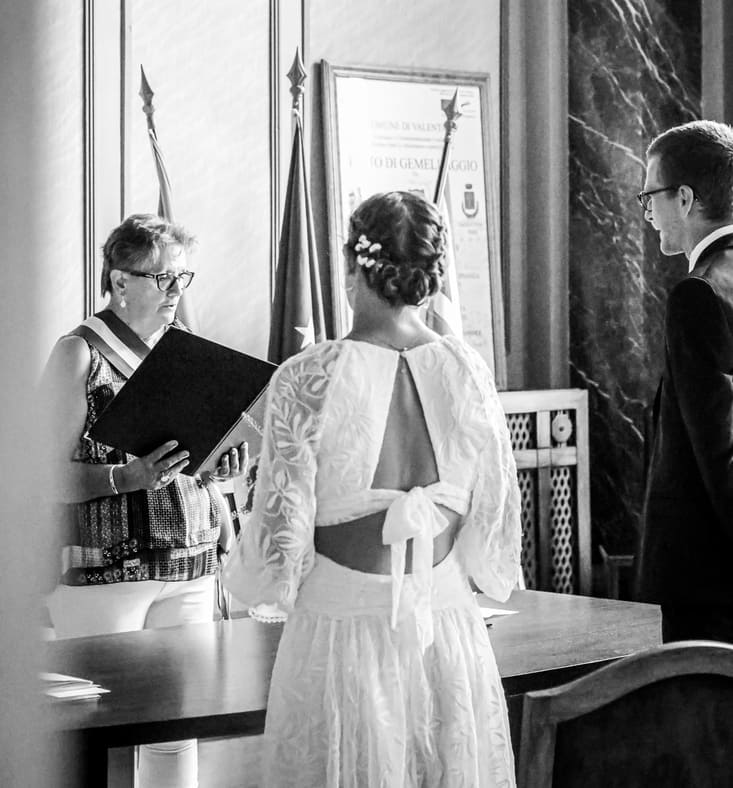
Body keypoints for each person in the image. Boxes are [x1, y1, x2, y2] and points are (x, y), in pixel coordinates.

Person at [223, 190, 522, 787]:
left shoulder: (308, 376)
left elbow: (280, 540)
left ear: (351, 266)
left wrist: (260, 581)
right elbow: (495, 517)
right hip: (446, 636)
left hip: (339, 638)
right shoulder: (469, 370)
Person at [43, 213, 246, 788]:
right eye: (164, 278)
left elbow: (195, 458)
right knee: (99, 737)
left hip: (190, 566)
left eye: (183, 277)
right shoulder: (79, 353)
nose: (177, 291)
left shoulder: (187, 354)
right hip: (105, 575)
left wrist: (221, 464)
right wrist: (123, 477)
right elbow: (34, 475)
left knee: (178, 732)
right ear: (120, 281)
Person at [636, 120, 733, 643]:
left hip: (709, 584)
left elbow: (720, 451)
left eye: (650, 196)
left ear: (686, 198)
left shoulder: (698, 295)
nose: (648, 214)